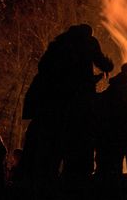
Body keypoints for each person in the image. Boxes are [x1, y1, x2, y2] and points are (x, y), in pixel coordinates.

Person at [21, 24, 114, 183]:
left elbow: (43, 67)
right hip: (77, 101)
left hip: (53, 102)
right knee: (79, 139)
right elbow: (102, 63)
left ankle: (47, 179)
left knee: (53, 143)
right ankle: (75, 180)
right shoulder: (88, 42)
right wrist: (106, 67)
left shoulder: (58, 44)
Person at [94, 63, 127, 180]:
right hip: (122, 132)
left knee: (117, 163)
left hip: (119, 132)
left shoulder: (117, 86)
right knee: (125, 161)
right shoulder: (122, 89)